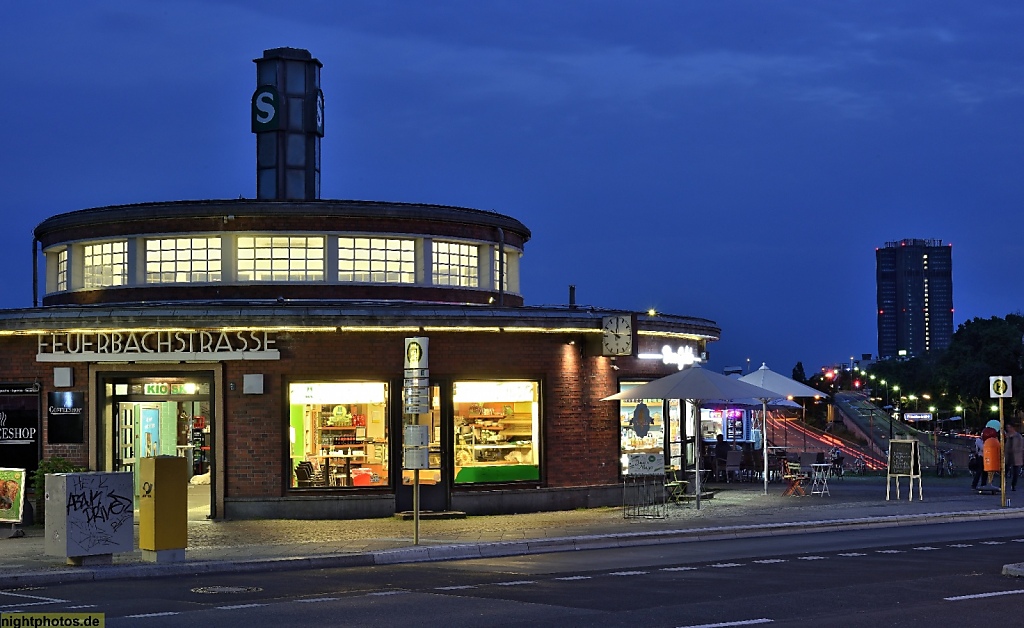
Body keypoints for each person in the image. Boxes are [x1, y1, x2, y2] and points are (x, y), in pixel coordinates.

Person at [1005, 423, 1023, 491]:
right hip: (1008, 455)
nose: (1008, 429)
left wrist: (1015, 450)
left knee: (1015, 472)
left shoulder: (1018, 436)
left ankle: (1013, 485)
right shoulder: (1006, 435)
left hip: (1016, 456)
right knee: (1005, 470)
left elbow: (1021, 446)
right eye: (1007, 427)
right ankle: (1002, 484)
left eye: (1009, 427)